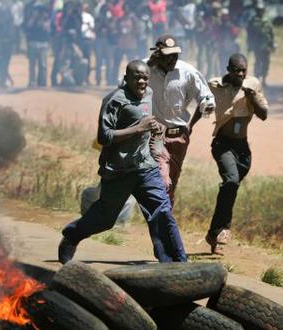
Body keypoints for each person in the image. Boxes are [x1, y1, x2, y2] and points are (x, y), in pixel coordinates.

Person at [58, 60, 188, 264]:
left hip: (146, 167)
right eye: (137, 77)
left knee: (161, 211)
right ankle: (72, 236)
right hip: (119, 170)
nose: (142, 81)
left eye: (145, 77)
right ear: (126, 78)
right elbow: (104, 136)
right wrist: (138, 128)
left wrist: (155, 128)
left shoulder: (149, 94)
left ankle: (175, 264)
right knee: (105, 219)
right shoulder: (115, 100)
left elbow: (146, 122)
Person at [191, 54, 268, 255]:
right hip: (222, 144)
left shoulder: (252, 85)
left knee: (229, 189)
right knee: (231, 182)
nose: (241, 74)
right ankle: (223, 229)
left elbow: (264, 114)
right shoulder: (216, 86)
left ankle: (213, 233)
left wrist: (252, 96)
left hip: (242, 149)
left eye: (244, 70)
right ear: (228, 69)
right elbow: (203, 107)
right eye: (236, 70)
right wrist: (189, 126)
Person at [146, 34, 215, 205]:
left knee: (172, 181)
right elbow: (122, 84)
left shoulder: (188, 72)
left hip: (179, 136)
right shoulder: (145, 67)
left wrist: (191, 125)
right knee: (162, 181)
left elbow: (206, 99)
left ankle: (164, 220)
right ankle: (161, 218)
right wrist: (147, 65)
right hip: (156, 135)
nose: (172, 59)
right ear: (158, 54)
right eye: (168, 55)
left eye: (175, 55)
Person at [247, 3, 275, 85]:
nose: (260, 12)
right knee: (258, 62)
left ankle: (264, 79)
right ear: (257, 11)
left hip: (266, 46)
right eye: (259, 10)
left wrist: (273, 44)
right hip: (257, 46)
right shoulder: (253, 20)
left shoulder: (267, 20)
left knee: (266, 63)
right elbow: (249, 34)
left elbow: (271, 33)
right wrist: (250, 45)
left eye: (262, 10)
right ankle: (257, 78)